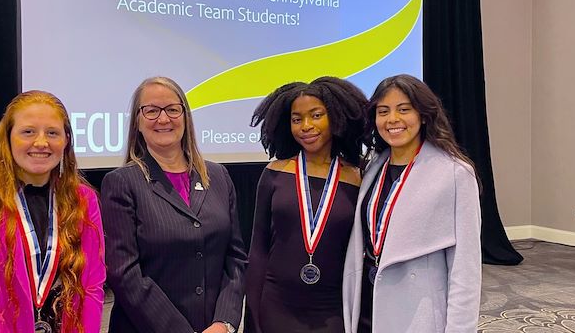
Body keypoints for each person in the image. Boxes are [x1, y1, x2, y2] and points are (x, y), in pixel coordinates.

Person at [0, 90, 106, 333]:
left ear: (66, 140)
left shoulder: (84, 200)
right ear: (7, 139)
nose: (41, 142)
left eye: (52, 133)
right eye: (28, 132)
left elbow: (92, 286)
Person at [101, 76, 247, 333]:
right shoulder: (121, 183)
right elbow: (124, 274)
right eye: (152, 110)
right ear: (138, 121)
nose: (164, 119)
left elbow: (235, 259)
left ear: (185, 116)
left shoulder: (219, 177)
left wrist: (224, 323)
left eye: (172, 109)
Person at [342, 74, 482, 333]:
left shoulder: (454, 173)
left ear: (424, 115)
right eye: (383, 111)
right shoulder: (374, 167)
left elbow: (466, 267)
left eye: (404, 109)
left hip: (419, 311)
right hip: (369, 302)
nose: (392, 119)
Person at [246, 77, 368, 333]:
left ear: (335, 117)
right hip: (276, 305)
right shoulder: (275, 172)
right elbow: (258, 248)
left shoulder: (357, 177)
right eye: (297, 119)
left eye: (316, 115)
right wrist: (253, 315)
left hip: (332, 309)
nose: (306, 126)